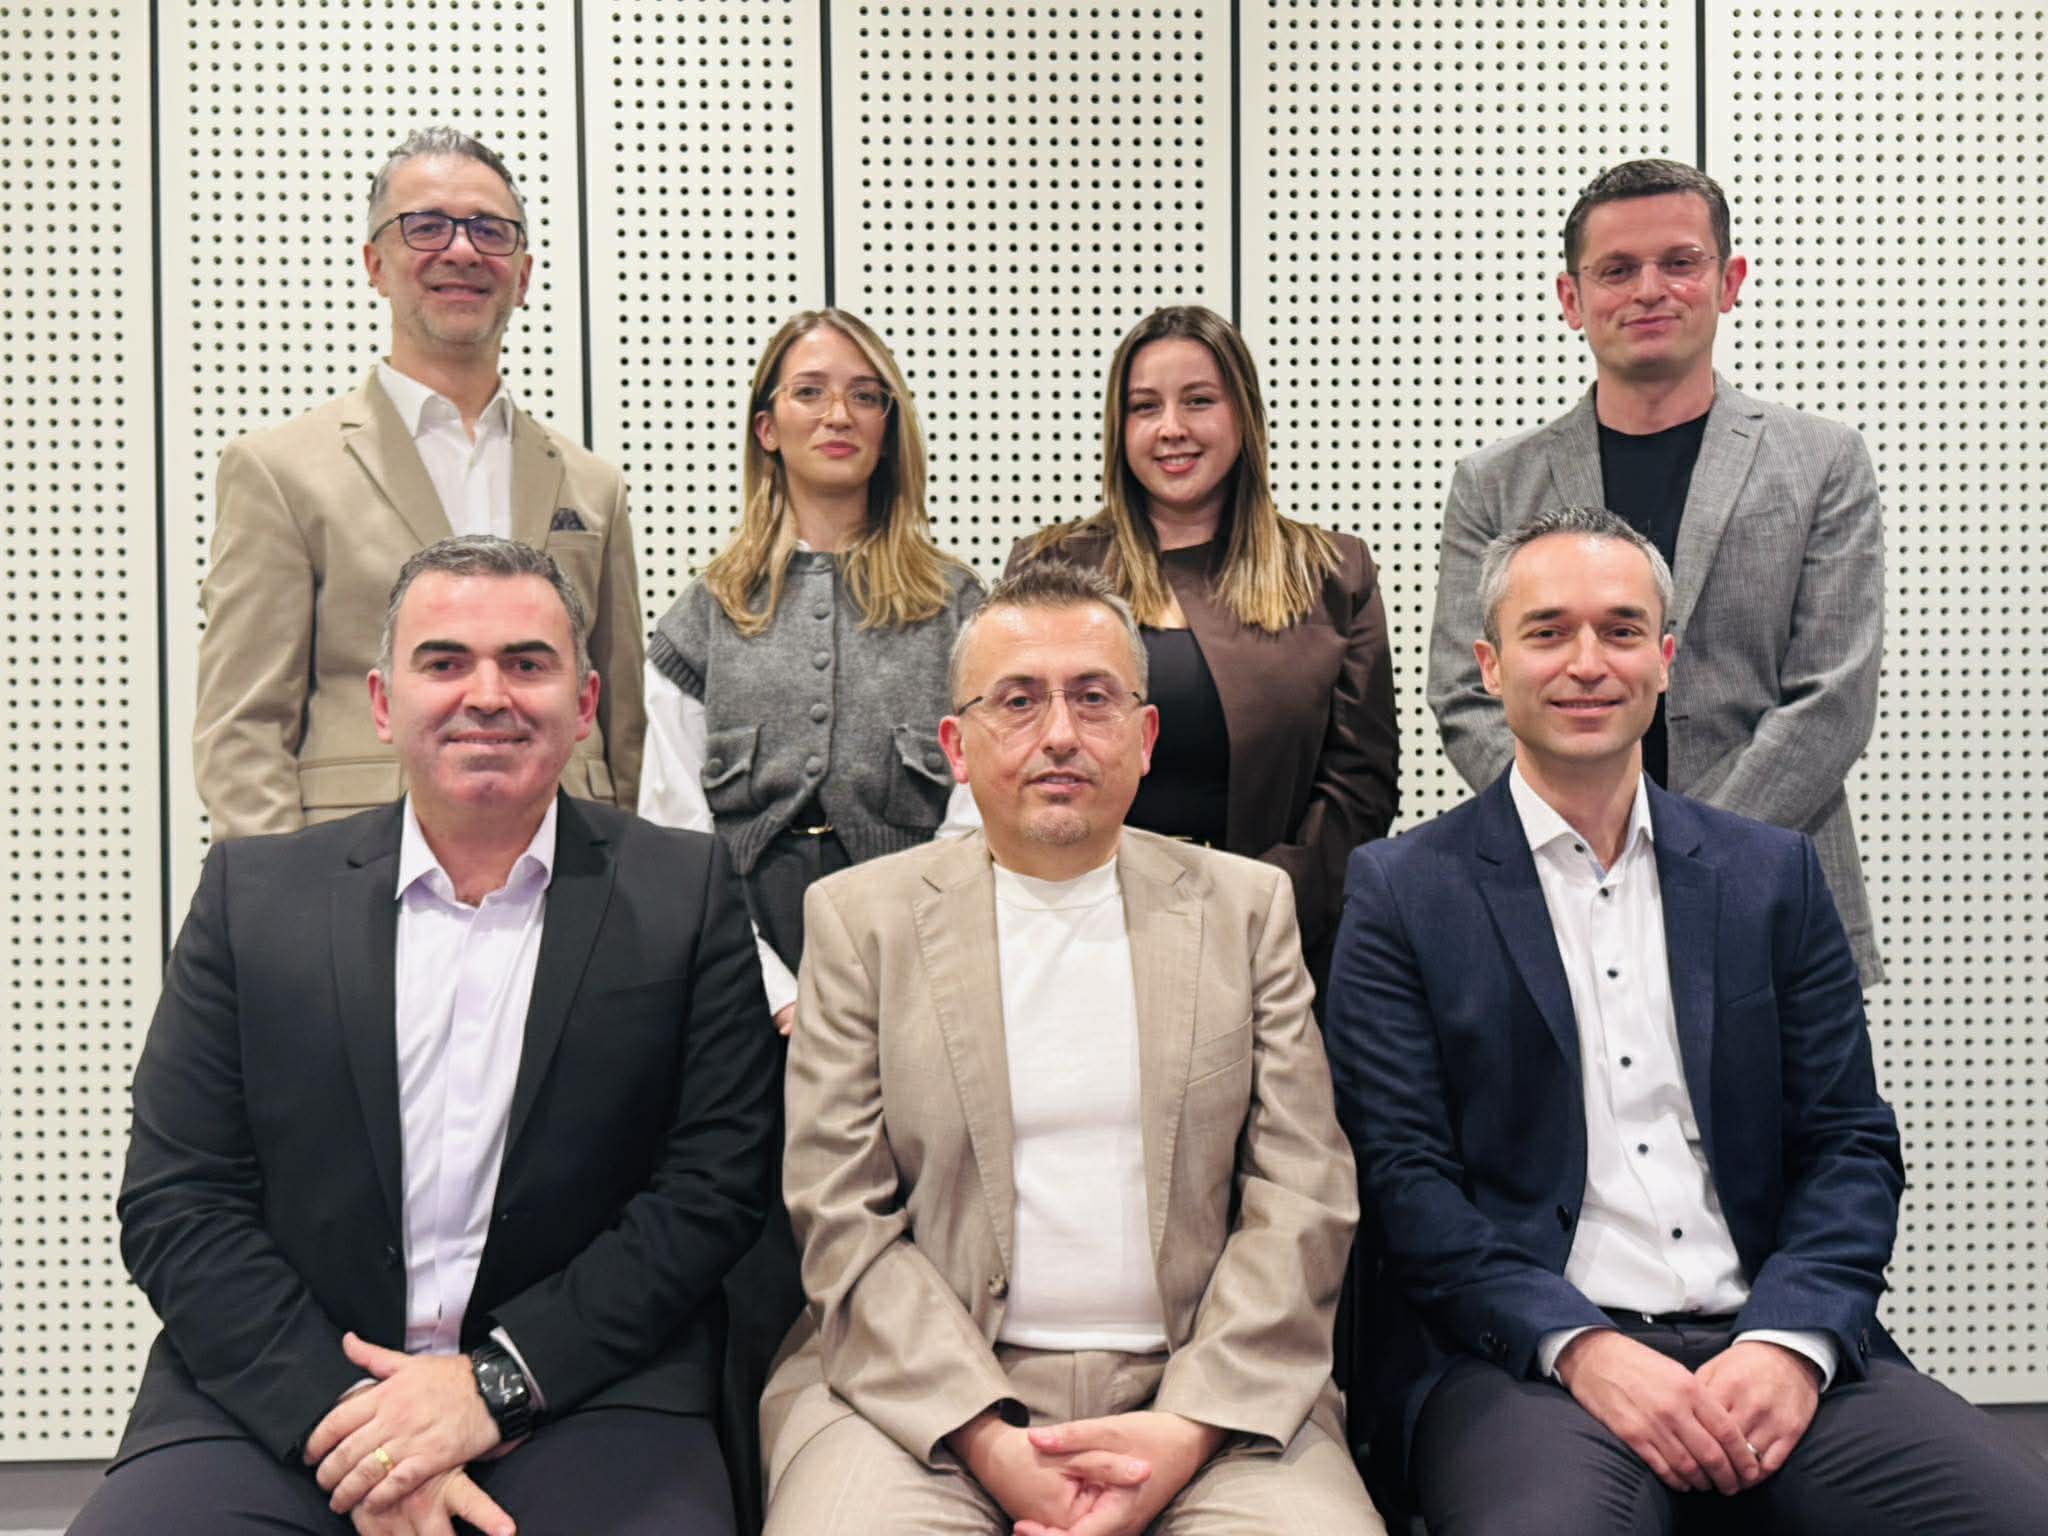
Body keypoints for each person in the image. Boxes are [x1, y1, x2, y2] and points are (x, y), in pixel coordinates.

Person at [1327, 507, 2048, 1534]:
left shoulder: (1770, 875)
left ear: (1664, 661)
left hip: (1768, 1345)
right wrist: (1581, 1348)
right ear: (1489, 666)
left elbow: (1848, 1143)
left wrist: (1789, 1342)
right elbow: (1406, 1185)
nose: (1587, 663)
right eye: (1547, 632)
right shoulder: (1402, 891)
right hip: (1526, 1366)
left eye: (1621, 631)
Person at [73, 536, 775, 1536]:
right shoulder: (252, 898)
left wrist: (495, 1384)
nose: (486, 695)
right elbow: (177, 1199)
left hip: (582, 1392)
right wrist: (364, 1432)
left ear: (583, 704)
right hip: (283, 1398)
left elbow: (712, 1190)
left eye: (526, 663)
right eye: (444, 662)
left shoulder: (685, 895)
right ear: (382, 702)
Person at [758, 561, 1382, 1535]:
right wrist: (989, 1442)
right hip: (914, 1398)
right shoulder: (859, 923)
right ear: (956, 748)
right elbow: (841, 1216)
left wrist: (1185, 1428)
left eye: (1093, 699)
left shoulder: (1245, 910)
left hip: (1206, 1390)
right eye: (1018, 702)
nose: (1059, 734)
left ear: (1145, 737)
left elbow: (1302, 1197)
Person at [636, 308, 981, 1530]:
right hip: (739, 955)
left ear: (891, 428)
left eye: (864, 395)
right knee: (749, 1241)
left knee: (905, 1224)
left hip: (908, 946)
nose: (838, 414)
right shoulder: (704, 614)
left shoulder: (955, 604)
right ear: (765, 427)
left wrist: (885, 966)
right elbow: (672, 822)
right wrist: (773, 986)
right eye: (810, 392)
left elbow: (974, 804)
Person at [1426, 158, 1884, 988]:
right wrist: (1586, 838)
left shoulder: (1822, 462)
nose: (1649, 291)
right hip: (1558, 890)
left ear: (1729, 281)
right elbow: (1466, 691)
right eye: (1616, 270)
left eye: (1679, 262)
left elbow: (1832, 698)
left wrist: (1687, 851)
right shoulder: (1494, 483)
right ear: (1571, 299)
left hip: (1769, 887)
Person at [195, 126, 644, 839]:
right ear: (375, 264)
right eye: (427, 226)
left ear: (523, 275)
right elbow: (243, 727)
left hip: (566, 861)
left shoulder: (593, 487)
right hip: (357, 861)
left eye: (490, 231)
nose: (462, 250)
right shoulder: (279, 474)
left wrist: (621, 870)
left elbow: (622, 725)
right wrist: (279, 889)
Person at [1010, 304, 1397, 988]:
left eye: (1198, 401)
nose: (1171, 429)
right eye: (1144, 407)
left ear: (1242, 414)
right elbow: (1015, 760)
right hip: (1081, 934)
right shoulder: (1050, 569)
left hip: (1272, 945)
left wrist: (1257, 906)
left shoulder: (1332, 574)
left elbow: (1359, 786)